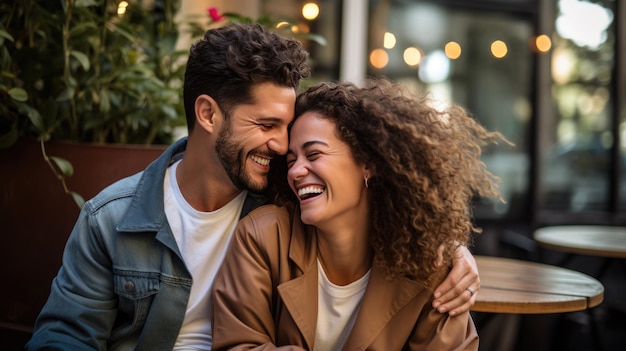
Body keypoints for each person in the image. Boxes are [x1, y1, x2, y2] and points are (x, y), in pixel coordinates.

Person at [26, 23, 477, 350]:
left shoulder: (285, 204)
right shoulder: (112, 217)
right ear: (208, 114)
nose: (283, 148)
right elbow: (64, 338)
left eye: (289, 130)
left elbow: (377, 214)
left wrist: (451, 247)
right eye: (266, 125)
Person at [212, 79, 506, 350]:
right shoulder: (263, 236)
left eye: (314, 154)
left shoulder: (429, 260)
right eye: (290, 161)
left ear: (368, 163)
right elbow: (239, 345)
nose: (296, 171)